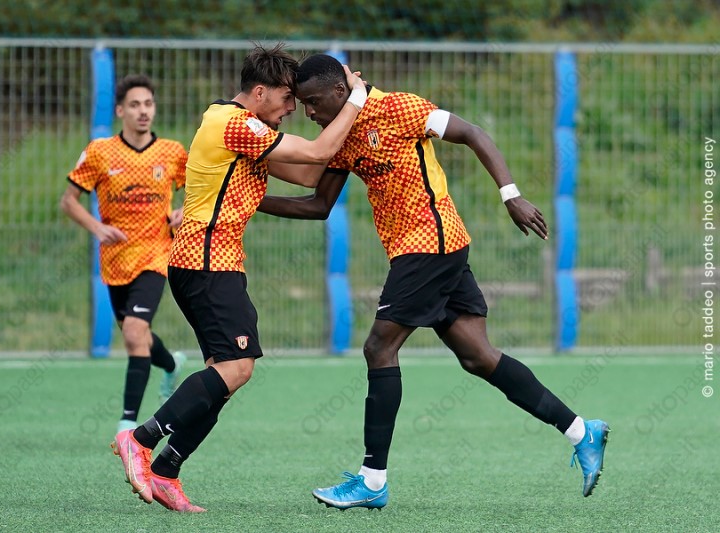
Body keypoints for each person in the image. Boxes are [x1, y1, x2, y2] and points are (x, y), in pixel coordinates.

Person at [256, 53, 610, 510]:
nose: (308, 111)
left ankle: (372, 480)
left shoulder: (399, 107)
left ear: (340, 91)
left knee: (378, 348)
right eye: (302, 104)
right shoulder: (340, 136)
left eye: (313, 101)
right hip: (431, 250)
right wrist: (251, 201)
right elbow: (318, 205)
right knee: (478, 357)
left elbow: (473, 134)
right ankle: (582, 432)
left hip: (429, 245)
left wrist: (512, 195)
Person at [111, 43, 369, 513]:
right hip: (207, 262)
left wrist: (351, 144)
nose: (292, 109)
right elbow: (318, 152)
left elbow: (310, 176)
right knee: (237, 368)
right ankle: (141, 439)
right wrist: (356, 98)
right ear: (259, 92)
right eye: (287, 99)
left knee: (225, 375)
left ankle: (166, 472)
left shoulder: (241, 127)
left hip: (210, 262)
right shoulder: (236, 124)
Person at [61, 74, 188, 437]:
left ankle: (128, 425)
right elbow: (69, 202)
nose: (143, 111)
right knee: (136, 334)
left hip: (156, 254)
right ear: (120, 111)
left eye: (148, 103)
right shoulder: (100, 152)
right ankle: (171, 364)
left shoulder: (172, 152)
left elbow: (201, 189)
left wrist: (184, 210)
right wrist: (97, 228)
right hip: (116, 259)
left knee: (134, 331)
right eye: (134, 105)